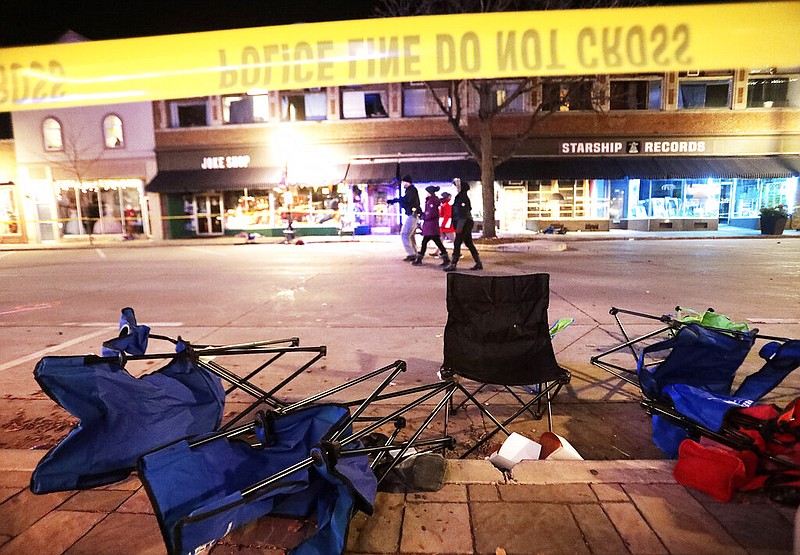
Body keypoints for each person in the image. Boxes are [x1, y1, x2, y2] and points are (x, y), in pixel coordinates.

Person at [444, 178, 482, 272]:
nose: (453, 187)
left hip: (464, 223)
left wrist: (459, 228)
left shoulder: (462, 198)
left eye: (455, 186)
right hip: (464, 223)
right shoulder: (458, 197)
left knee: (457, 242)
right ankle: (478, 263)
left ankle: (453, 263)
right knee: (469, 243)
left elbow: (463, 214)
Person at [413, 185, 450, 267]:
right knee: (433, 242)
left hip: (431, 226)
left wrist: (423, 216)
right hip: (431, 226)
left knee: (428, 242)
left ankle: (420, 259)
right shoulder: (431, 201)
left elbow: (431, 213)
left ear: (429, 192)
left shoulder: (431, 201)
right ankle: (445, 258)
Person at [387, 175, 421, 261]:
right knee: (410, 235)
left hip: (412, 215)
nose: (402, 184)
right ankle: (414, 253)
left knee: (405, 234)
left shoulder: (411, 191)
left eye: (403, 182)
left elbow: (406, 200)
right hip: (413, 214)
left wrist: (395, 200)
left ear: (407, 182)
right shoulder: (411, 190)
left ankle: (411, 254)